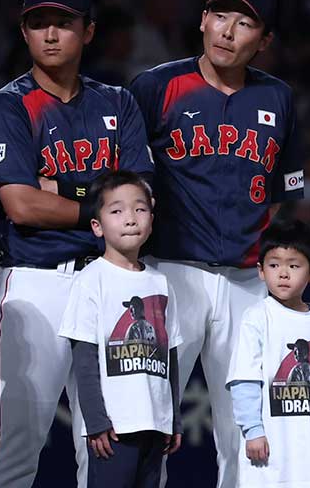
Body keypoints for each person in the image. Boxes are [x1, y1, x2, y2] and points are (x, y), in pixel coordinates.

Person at [128, 0, 304, 487]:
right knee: (151, 421)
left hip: (249, 282)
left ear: (264, 40)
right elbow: (129, 184)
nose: (228, 31)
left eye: (245, 22)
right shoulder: (156, 86)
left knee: (252, 429)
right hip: (170, 271)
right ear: (203, 20)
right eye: (221, 16)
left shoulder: (280, 97)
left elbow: (285, 197)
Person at [0, 0, 154, 488]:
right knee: (18, 441)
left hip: (108, 283)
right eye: (39, 24)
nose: (51, 34)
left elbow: (139, 202)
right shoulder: (8, 105)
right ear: (24, 33)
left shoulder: (118, 103)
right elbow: (21, 204)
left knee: (106, 442)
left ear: (89, 31)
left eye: (63, 23)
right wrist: (101, 203)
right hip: (35, 281)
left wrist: (67, 192)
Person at [59, 170, 182, 488]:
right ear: (97, 226)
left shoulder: (160, 282)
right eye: (117, 211)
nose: (130, 218)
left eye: (140, 209)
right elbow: (84, 361)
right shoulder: (91, 280)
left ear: (151, 220)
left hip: (156, 424)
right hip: (114, 429)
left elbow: (170, 357)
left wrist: (174, 419)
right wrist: (97, 422)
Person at [227, 219, 310, 488]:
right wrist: (253, 431)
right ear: (260, 271)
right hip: (267, 447)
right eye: (274, 265)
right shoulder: (257, 317)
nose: (283, 273)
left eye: (293, 266)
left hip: (309, 449)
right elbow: (244, 379)